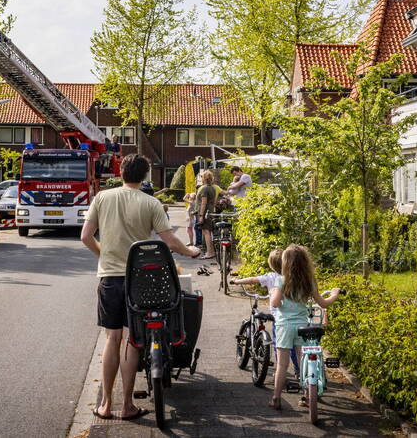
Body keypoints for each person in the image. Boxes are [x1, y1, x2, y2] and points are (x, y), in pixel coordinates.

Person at [80, 154, 201, 421]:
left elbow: (86, 236)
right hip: (142, 281)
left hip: (110, 278)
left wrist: (104, 255)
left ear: (121, 172)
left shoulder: (102, 198)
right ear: (145, 176)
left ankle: (105, 405)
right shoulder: (151, 203)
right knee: (132, 340)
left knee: (112, 339)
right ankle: (126, 406)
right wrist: (190, 251)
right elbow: (170, 242)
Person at [268, 244, 341, 410]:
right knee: (304, 363)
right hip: (303, 327)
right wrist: (334, 295)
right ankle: (308, 396)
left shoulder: (280, 280)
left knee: (282, 365)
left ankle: (276, 398)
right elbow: (323, 303)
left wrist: (274, 294)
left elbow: (275, 303)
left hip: (284, 327)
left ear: (285, 262)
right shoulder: (310, 281)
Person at [230, 249, 299, 379]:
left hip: (278, 318)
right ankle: (298, 370)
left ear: (271, 265)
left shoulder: (270, 277)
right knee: (294, 347)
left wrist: (237, 281)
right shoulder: (291, 277)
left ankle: (280, 370)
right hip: (293, 316)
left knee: (278, 345)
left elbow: (252, 280)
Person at [195, 169, 220, 259]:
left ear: (204, 178)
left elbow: (203, 203)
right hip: (210, 212)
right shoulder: (212, 188)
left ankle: (210, 252)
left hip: (205, 213)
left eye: (202, 177)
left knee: (206, 232)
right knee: (208, 232)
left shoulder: (205, 188)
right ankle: (211, 251)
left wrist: (201, 216)